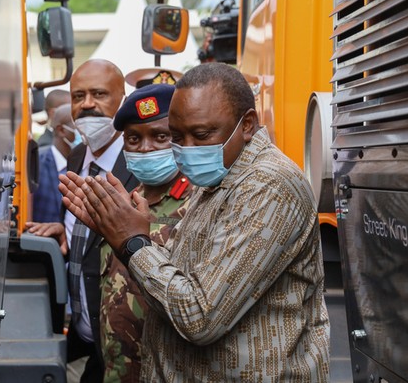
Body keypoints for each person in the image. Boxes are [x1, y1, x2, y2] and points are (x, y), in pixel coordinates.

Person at [59, 63, 331, 381]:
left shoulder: (268, 185)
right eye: (177, 136)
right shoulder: (219, 174)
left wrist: (132, 244)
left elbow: (199, 316)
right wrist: (116, 230)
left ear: (247, 124)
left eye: (201, 135)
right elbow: (183, 275)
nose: (186, 149)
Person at [27, 59, 139, 383]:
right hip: (86, 332)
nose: (87, 104)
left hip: (123, 344)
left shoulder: (138, 163)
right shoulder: (78, 157)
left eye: (99, 94)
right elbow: (89, 227)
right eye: (78, 96)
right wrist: (68, 230)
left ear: (122, 98)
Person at [99, 83, 193, 383]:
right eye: (133, 139)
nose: (145, 148)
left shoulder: (200, 204)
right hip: (118, 369)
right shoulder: (123, 203)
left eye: (160, 136)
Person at [32, 104, 81, 225]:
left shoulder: (86, 165)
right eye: (80, 126)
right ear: (61, 130)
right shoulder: (35, 163)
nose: (85, 132)